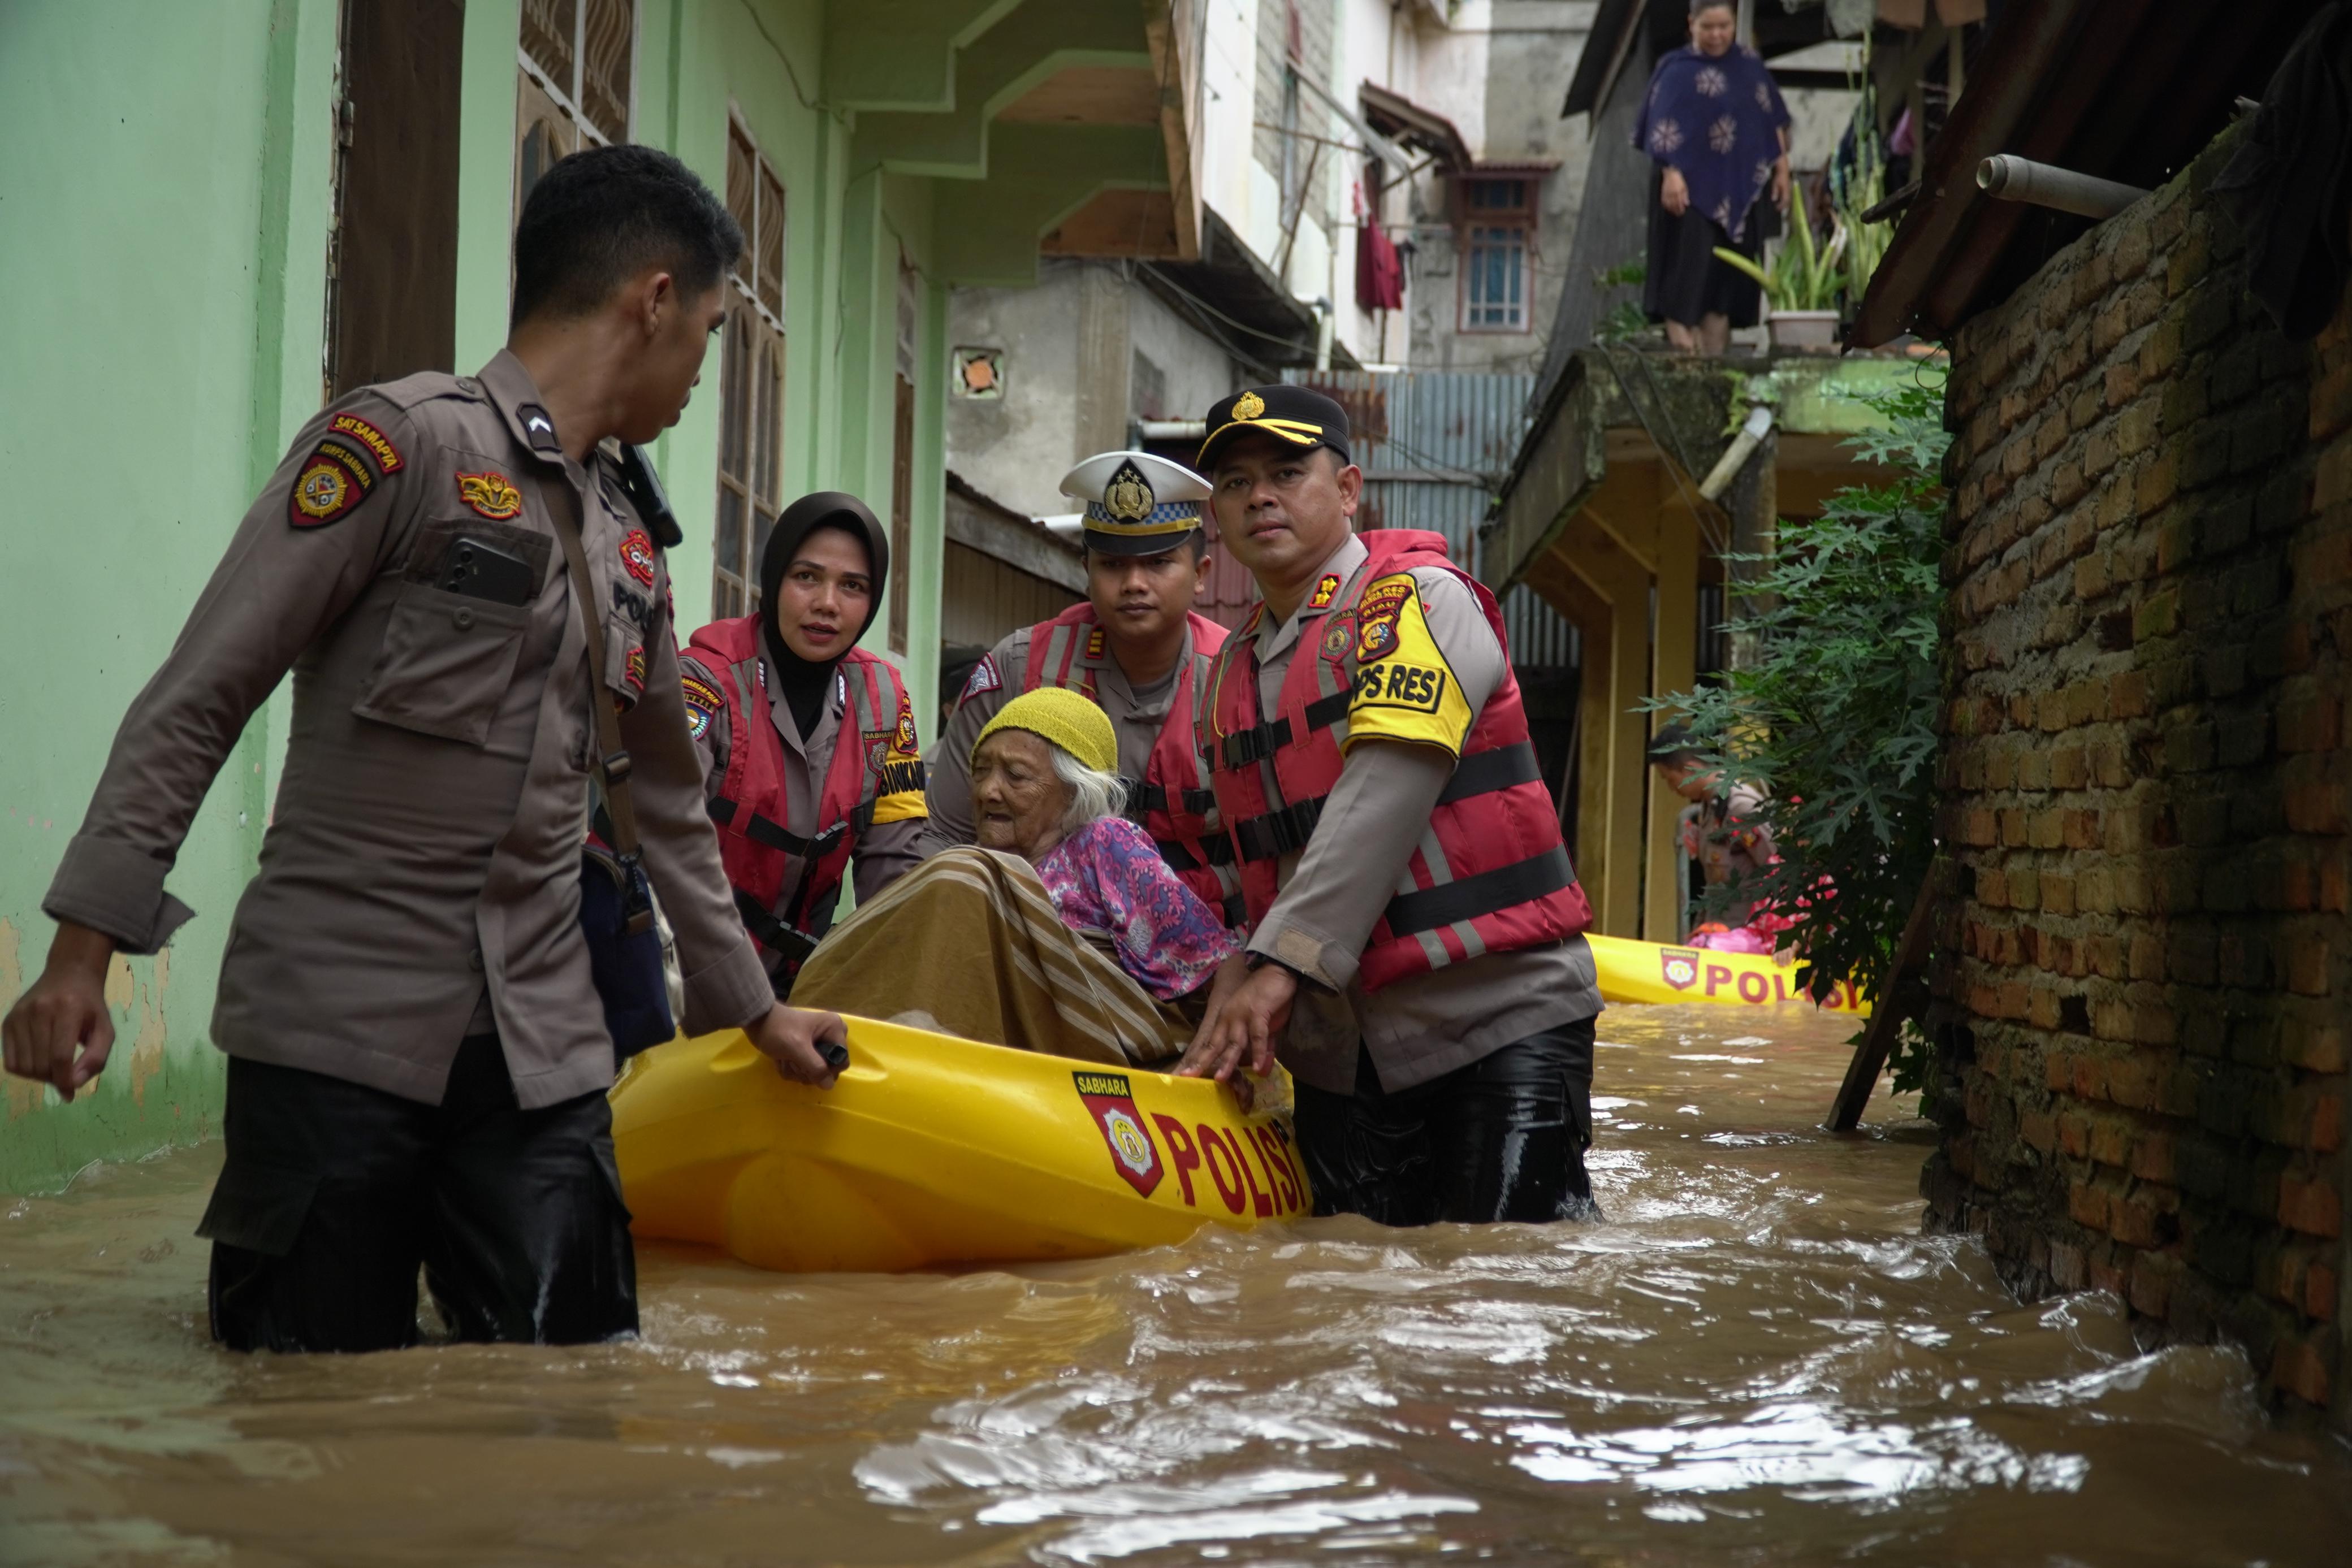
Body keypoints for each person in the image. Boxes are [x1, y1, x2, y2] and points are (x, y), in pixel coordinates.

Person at [0, 145, 845, 1355]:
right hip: (334, 1036)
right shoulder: (399, 450)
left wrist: (755, 1012)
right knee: (306, 1417)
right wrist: (82, 957)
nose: (705, 370)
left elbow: (665, 799)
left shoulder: (632, 546)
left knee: (580, 1398)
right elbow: (204, 691)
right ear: (653, 300)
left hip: (542, 1059)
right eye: (711, 331)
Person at [1174, 384, 1605, 1227]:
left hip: (1496, 1019)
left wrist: (1281, 965)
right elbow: (1234, 862)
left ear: (1347, 489)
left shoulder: (1418, 602)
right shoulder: (1226, 674)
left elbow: (1381, 797)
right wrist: (1230, 972)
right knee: (1351, 1304)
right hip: (1340, 1056)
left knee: (1501, 1291)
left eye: (1287, 471)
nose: (1259, 495)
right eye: (1233, 482)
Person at [795, 688, 1238, 1065]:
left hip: (1096, 1049)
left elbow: (1217, 962)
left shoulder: (1107, 842)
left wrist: (1207, 1056)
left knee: (961, 875)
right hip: (1014, 1052)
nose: (989, 790)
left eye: (1016, 775)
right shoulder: (988, 873)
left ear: (1074, 791)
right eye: (982, 770)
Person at [920, 451, 1239, 924]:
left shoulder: (1239, 680)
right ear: (1085, 569)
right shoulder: (1019, 665)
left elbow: (1271, 861)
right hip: (1031, 939)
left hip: (1205, 947)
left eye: (1158, 563)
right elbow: (942, 834)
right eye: (1112, 564)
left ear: (1200, 575)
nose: (1134, 583)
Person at [678, 491, 926, 996]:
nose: (827, 605)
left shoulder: (885, 701)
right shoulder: (704, 685)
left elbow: (898, 866)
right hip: (679, 982)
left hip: (806, 987)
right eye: (807, 577)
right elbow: (665, 849)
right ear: (773, 579)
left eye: (852, 586)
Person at [1637, 0, 1793, 354]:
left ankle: (1714, 365)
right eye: (1708, 27)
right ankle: (1685, 358)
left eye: (1724, 26)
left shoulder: (1749, 66)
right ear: (1692, 24)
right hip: (1687, 194)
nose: (1717, 34)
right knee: (1685, 281)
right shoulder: (1675, 69)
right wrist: (1671, 173)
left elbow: (1772, 120)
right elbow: (1661, 129)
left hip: (1738, 190)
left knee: (1722, 291)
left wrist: (1782, 170)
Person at [1648, 724, 1785, 952]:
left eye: (1669, 779)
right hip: (1719, 935)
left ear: (1690, 769)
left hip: (1746, 942)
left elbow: (1779, 869)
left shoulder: (1739, 806)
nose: (1671, 788)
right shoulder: (1710, 805)